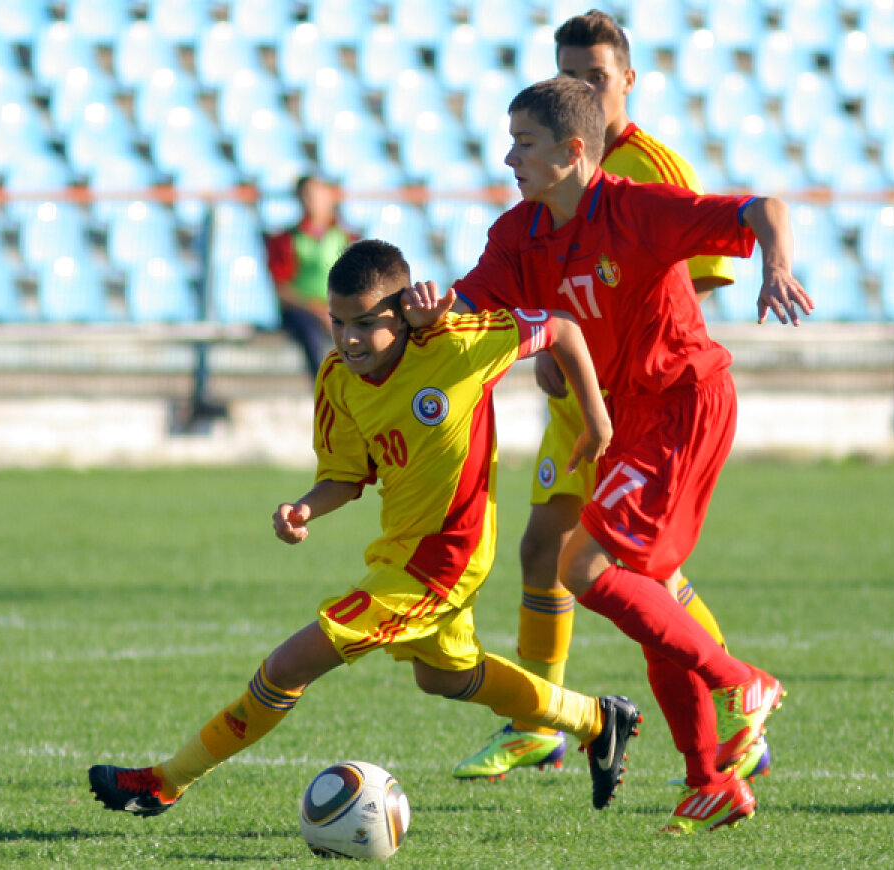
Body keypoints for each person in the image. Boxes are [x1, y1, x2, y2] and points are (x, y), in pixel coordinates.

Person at [87, 238, 642, 819]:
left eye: (366, 323)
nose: (348, 338)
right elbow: (346, 477)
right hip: (397, 554)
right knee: (444, 676)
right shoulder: (337, 377)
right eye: (337, 321)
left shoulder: (458, 345)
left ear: (402, 314)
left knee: (288, 665)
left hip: (444, 560)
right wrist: (305, 507)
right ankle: (597, 720)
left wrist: (596, 420)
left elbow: (561, 328)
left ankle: (164, 781)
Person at [408, 77, 814, 833]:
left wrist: (775, 266)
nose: (508, 157)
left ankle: (742, 679)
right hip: (632, 420)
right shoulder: (519, 233)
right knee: (647, 597)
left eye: (523, 144)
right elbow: (474, 301)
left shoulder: (637, 208)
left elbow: (766, 209)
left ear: (571, 151)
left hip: (684, 403)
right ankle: (707, 780)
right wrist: (437, 312)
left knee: (581, 566)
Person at [453, 8, 771, 788]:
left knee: (606, 571)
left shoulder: (648, 181)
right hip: (595, 408)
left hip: (663, 399)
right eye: (570, 75)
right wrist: (547, 347)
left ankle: (738, 695)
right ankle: (666, 762)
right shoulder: (526, 218)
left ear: (626, 80)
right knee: (560, 559)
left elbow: (677, 287)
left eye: (595, 75)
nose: (582, 87)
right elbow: (492, 304)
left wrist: (775, 270)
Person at [264, 174, 358, 384]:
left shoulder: (347, 238)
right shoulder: (286, 239)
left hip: (338, 310)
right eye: (306, 195)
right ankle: (324, 388)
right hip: (302, 312)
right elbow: (281, 288)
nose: (312, 200)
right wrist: (316, 308)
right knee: (312, 334)